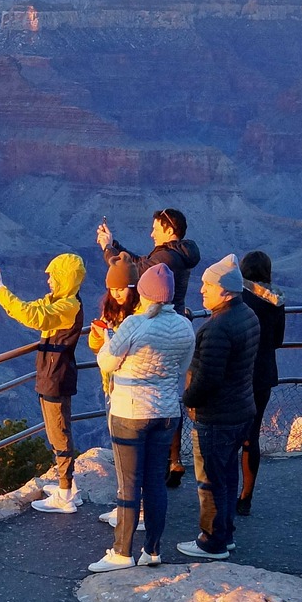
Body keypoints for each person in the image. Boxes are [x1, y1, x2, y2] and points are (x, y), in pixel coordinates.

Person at [90, 263, 195, 572]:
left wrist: (108, 339)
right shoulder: (184, 326)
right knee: (155, 484)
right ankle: (152, 550)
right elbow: (181, 367)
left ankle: (122, 552)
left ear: (145, 293)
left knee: (129, 484)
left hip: (131, 412)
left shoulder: (135, 324)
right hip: (166, 411)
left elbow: (107, 362)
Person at [99, 209, 201, 486]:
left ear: (169, 230)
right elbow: (142, 262)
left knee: (157, 392)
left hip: (159, 325)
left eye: (156, 228)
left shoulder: (167, 258)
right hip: (177, 324)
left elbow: (138, 270)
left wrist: (109, 250)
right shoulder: (178, 253)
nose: (151, 233)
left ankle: (163, 463)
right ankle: (173, 459)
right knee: (169, 392)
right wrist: (115, 244)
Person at [0, 254, 88, 514]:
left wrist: (0, 289)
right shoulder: (61, 301)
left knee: (58, 433)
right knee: (57, 430)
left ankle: (65, 494)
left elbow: (33, 316)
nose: (48, 280)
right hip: (53, 374)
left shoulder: (67, 307)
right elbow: (27, 308)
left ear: (65, 278)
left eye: (53, 275)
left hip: (56, 377)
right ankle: (68, 485)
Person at [177, 256, 259, 561]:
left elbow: (208, 378)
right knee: (227, 474)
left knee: (210, 479)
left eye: (207, 286)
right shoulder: (247, 314)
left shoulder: (217, 328)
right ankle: (226, 533)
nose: (202, 290)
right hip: (241, 409)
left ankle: (212, 541)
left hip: (216, 415)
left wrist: (188, 399)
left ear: (225, 291)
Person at [91, 258, 142, 528]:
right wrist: (98, 335)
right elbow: (97, 348)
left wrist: (110, 341)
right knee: (122, 453)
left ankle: (136, 511)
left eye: (121, 288)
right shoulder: (110, 310)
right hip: (112, 386)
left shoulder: (141, 314)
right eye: (112, 289)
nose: (116, 294)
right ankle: (126, 506)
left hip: (133, 389)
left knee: (133, 455)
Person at [237, 251, 285, 516]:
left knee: (230, 433)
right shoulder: (277, 300)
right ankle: (246, 496)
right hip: (264, 373)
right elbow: (278, 340)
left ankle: (223, 492)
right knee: (251, 435)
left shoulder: (238, 298)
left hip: (238, 372)